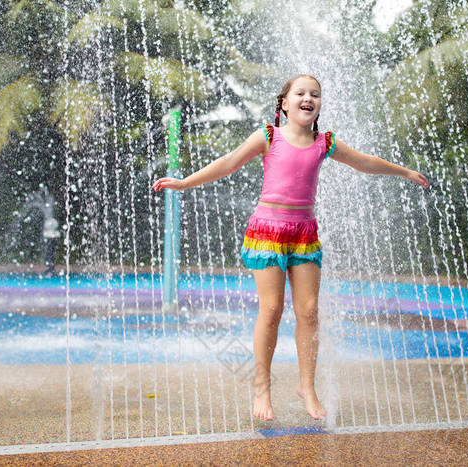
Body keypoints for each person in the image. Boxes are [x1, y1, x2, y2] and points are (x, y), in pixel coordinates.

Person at [152, 74, 429, 421]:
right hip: (268, 231)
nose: (308, 98)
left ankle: (307, 386)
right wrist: (185, 183)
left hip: (304, 234)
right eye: (300, 93)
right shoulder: (268, 136)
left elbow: (364, 162)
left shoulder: (324, 143)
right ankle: (262, 388)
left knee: (309, 311)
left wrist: (405, 172)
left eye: (315, 94)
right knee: (271, 309)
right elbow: (228, 163)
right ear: (284, 103)